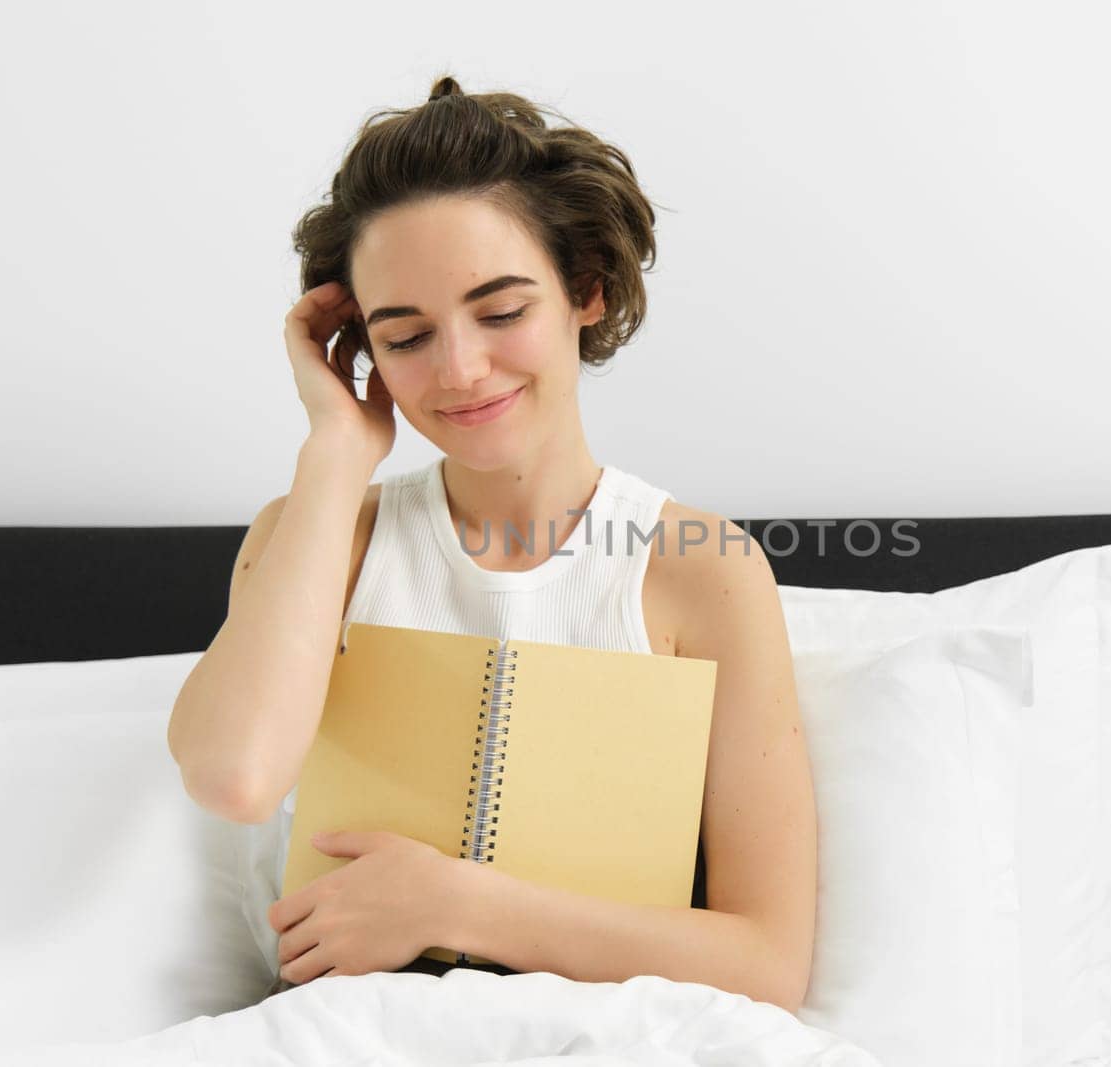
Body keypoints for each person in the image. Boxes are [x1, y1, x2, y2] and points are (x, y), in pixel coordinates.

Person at [167, 75, 817, 1016]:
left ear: (585, 290)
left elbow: (766, 964)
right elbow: (235, 776)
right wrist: (337, 453)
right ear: (363, 352)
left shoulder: (697, 566)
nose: (460, 369)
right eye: (405, 336)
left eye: (501, 311)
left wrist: (456, 904)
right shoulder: (320, 532)